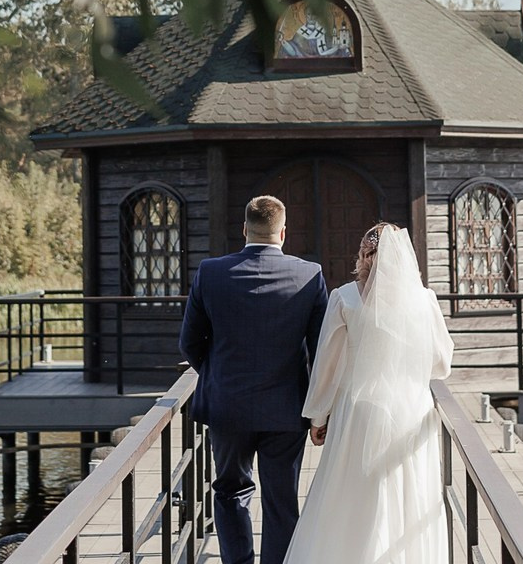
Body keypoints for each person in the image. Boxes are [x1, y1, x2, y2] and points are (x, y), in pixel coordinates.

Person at [284, 223, 455, 564]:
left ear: (364, 255)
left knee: (350, 500)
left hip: (358, 410)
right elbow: (440, 364)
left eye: (364, 253)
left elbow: (327, 366)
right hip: (411, 411)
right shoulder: (425, 300)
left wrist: (318, 416)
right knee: (408, 499)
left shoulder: (345, 297)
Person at [179, 195, 329, 564]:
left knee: (230, 492)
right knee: (281, 501)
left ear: (244, 229)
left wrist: (217, 376)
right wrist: (319, 412)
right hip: (287, 409)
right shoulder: (310, 274)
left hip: (227, 406)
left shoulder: (210, 273)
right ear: (283, 232)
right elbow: (322, 349)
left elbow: (189, 343)